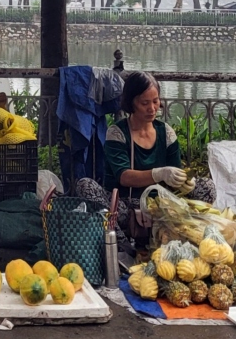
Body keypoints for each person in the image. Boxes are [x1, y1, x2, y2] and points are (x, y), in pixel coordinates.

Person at [76, 71, 215, 250]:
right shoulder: (117, 132)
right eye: (145, 103)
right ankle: (121, 245)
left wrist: (185, 182)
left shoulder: (166, 133)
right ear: (131, 103)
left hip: (161, 210)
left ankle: (182, 238)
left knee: (207, 187)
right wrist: (160, 173)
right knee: (85, 185)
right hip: (124, 209)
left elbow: (175, 174)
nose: (152, 108)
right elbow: (124, 177)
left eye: (155, 101)